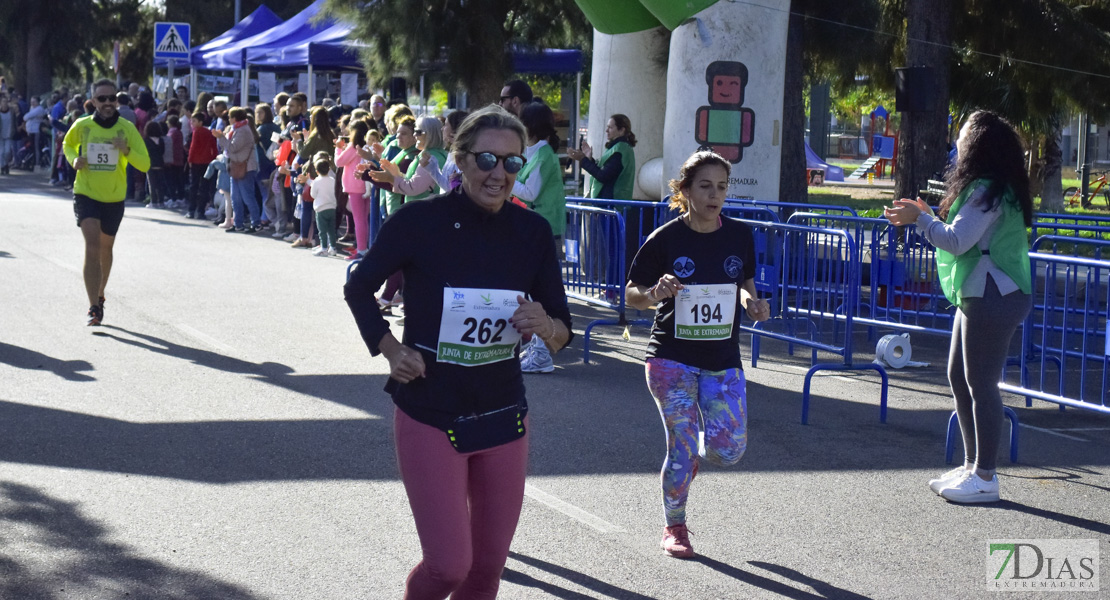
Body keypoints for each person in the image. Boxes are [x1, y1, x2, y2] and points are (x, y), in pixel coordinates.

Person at [344, 105, 572, 599]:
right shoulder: (419, 222)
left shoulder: (530, 233)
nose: (499, 174)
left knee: (485, 572)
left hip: (503, 414)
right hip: (430, 411)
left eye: (512, 164)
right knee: (448, 566)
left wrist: (547, 324)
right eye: (488, 159)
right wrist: (388, 348)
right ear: (461, 160)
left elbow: (563, 327)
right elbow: (359, 287)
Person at [625, 150, 770, 558]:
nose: (714, 195)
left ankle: (698, 447)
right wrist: (654, 294)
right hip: (670, 358)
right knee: (681, 447)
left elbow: (743, 284)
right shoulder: (666, 238)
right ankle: (675, 526)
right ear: (685, 190)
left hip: (722, 359)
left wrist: (752, 304)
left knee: (728, 450)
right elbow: (631, 294)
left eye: (721, 187)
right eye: (705, 186)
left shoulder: (740, 235)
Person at [883, 110, 1033, 504]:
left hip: (994, 293)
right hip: (981, 292)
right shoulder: (989, 187)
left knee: (981, 383)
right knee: (957, 374)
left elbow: (957, 241)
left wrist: (922, 220)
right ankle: (972, 467)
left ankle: (985, 475)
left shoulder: (988, 190)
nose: (957, 143)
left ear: (978, 144)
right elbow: (960, 235)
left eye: (963, 136)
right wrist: (927, 217)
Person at [62, 79, 151, 325]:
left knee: (105, 249)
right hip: (86, 193)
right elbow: (68, 145)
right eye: (102, 99)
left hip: (113, 197)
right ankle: (93, 307)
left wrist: (126, 151)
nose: (108, 103)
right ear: (93, 102)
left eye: (112, 98)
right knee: (92, 245)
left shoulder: (126, 128)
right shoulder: (82, 125)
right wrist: (74, 161)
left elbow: (145, 164)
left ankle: (100, 295)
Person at [513, 101, 567, 374]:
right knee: (533, 291)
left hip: (545, 228)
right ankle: (538, 347)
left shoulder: (544, 154)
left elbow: (530, 192)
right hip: (532, 228)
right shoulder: (535, 152)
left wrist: (506, 177)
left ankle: (543, 353)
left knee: (544, 293)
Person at [567, 113, 637, 200]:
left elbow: (603, 176)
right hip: (608, 202)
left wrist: (583, 159)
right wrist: (589, 159)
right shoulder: (617, 148)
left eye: (610, 128)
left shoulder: (620, 150)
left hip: (612, 203)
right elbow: (603, 170)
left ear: (621, 130)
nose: (606, 130)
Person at [214, 106, 262, 233]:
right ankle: (238, 223)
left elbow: (233, 147)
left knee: (248, 197)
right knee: (236, 198)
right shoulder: (237, 129)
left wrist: (221, 137)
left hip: (246, 167)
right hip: (237, 166)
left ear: (234, 118)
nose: (228, 119)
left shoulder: (243, 131)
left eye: (229, 117)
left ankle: (256, 223)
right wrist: (222, 138)